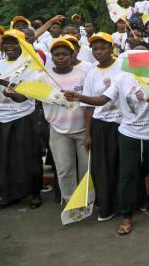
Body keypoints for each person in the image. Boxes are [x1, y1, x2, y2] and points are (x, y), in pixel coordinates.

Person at [64, 43, 149, 236]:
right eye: (133, 55)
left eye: (142, 54)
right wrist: (80, 97)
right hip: (128, 132)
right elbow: (102, 100)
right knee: (128, 174)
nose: (137, 58)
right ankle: (127, 216)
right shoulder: (121, 78)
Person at [36, 38, 89, 204]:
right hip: (58, 131)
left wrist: (89, 131)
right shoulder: (43, 77)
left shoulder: (84, 74)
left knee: (85, 169)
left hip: (82, 130)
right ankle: (70, 202)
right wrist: (11, 92)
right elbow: (26, 95)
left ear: (71, 55)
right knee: (65, 170)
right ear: (51, 56)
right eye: (57, 54)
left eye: (65, 54)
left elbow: (89, 104)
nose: (61, 57)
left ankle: (86, 200)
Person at [0, 30, 43, 210]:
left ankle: (35, 193)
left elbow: (24, 97)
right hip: (1, 117)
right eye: (7, 42)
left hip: (23, 116)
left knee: (29, 156)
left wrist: (4, 84)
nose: (10, 46)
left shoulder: (29, 65)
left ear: (23, 45)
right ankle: (10, 194)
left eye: (15, 42)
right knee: (4, 159)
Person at [81, 32, 124, 221]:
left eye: (103, 47)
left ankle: (126, 204)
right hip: (101, 126)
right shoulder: (92, 73)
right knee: (103, 168)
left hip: (123, 125)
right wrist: (88, 133)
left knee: (123, 167)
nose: (98, 52)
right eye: (95, 48)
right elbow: (89, 106)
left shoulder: (123, 67)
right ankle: (107, 207)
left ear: (112, 48)